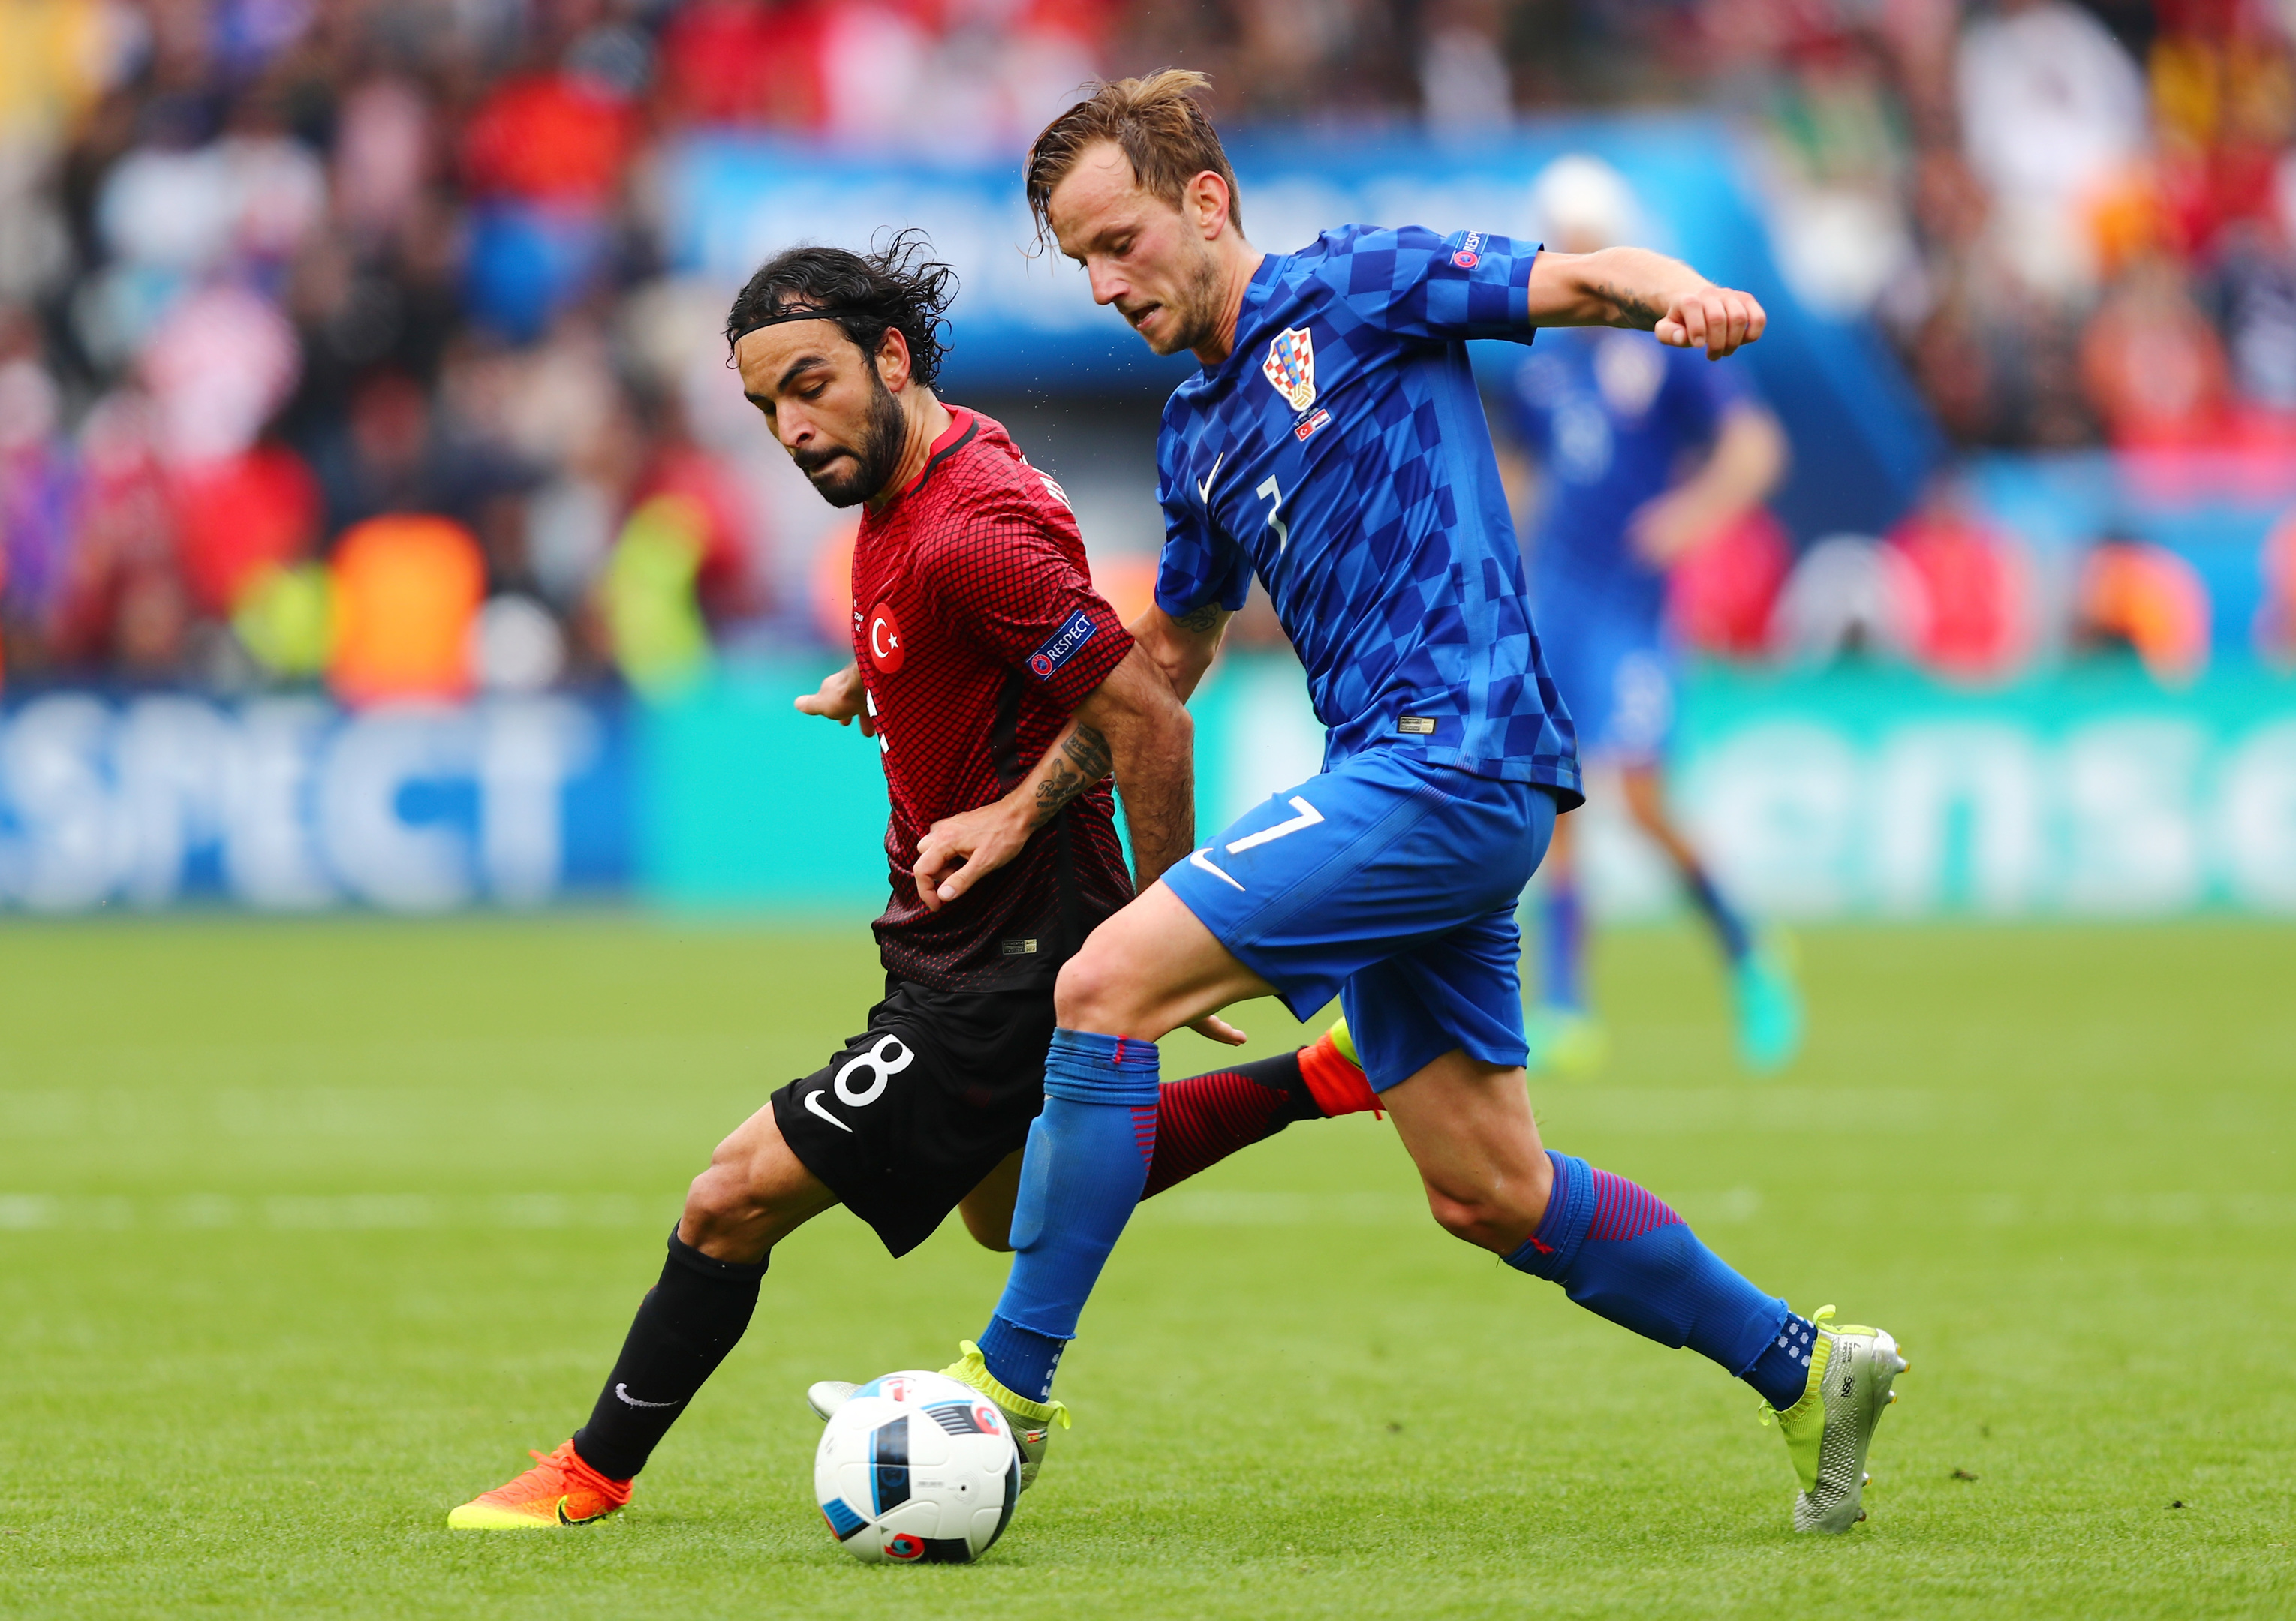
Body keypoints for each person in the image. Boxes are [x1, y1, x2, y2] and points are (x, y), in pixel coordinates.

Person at [884, 72, 1904, 1535]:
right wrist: (1036, 815)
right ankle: (1804, 1370)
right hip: (1393, 784)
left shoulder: (1356, 283)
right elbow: (1162, 662)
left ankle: (1006, 1390)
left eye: (1118, 241)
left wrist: (1678, 290)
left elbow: (1576, 279)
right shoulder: (1195, 437)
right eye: (1080, 262)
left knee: (1096, 993)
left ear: (1206, 203)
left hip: (1457, 759)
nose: (1105, 283)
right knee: (1488, 1188)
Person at [445, 235, 1380, 1529]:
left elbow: (1147, 714)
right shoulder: (925, 466)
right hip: (966, 944)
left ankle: (589, 1474)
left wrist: (1161, 922)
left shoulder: (970, 529)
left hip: (993, 965)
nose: (791, 426)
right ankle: (1326, 1076)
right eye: (766, 403)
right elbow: (995, 653)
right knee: (1009, 1213)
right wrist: (883, 681)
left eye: (811, 385)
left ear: (890, 357)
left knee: (728, 1200)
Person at [1506, 154, 1803, 1078]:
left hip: (1632, 607)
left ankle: (1746, 953)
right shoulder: (1543, 364)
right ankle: (1566, 1001)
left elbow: (1755, 448)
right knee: (1554, 800)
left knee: (1637, 797)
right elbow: (1520, 473)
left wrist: (1693, 517)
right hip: (1560, 600)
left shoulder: (1662, 344)